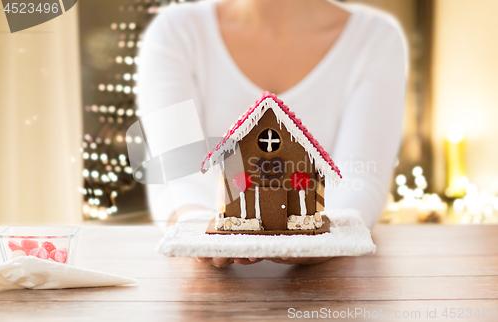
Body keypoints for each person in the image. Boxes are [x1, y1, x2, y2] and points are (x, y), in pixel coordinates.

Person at [138, 0, 407, 267]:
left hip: (323, 281)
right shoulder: (176, 32)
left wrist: (317, 237)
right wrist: (206, 237)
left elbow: (360, 178)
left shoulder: (375, 40)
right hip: (211, 279)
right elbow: (175, 174)